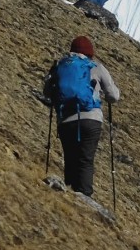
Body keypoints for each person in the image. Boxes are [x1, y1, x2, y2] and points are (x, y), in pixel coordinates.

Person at [43, 34, 120, 197]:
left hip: (66, 120)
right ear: (90, 53)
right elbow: (113, 96)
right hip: (91, 120)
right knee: (85, 160)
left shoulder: (60, 66)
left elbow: (47, 92)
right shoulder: (96, 66)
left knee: (70, 160)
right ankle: (84, 197)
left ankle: (69, 196)